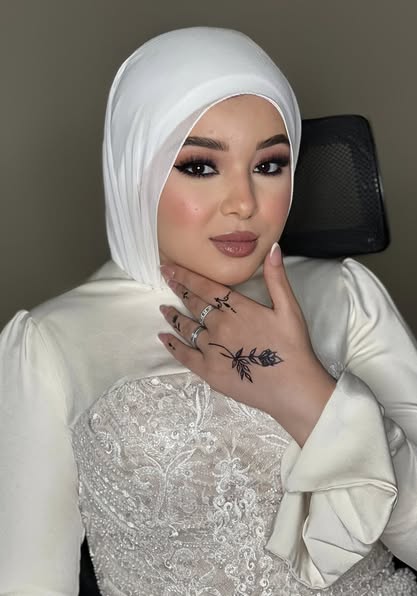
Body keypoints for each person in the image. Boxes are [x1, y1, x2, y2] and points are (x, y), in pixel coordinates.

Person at [1, 26, 417, 596]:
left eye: (269, 165)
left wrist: (310, 397)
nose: (244, 202)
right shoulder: (50, 343)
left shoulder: (345, 295)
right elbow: (27, 583)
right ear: (135, 170)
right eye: (200, 166)